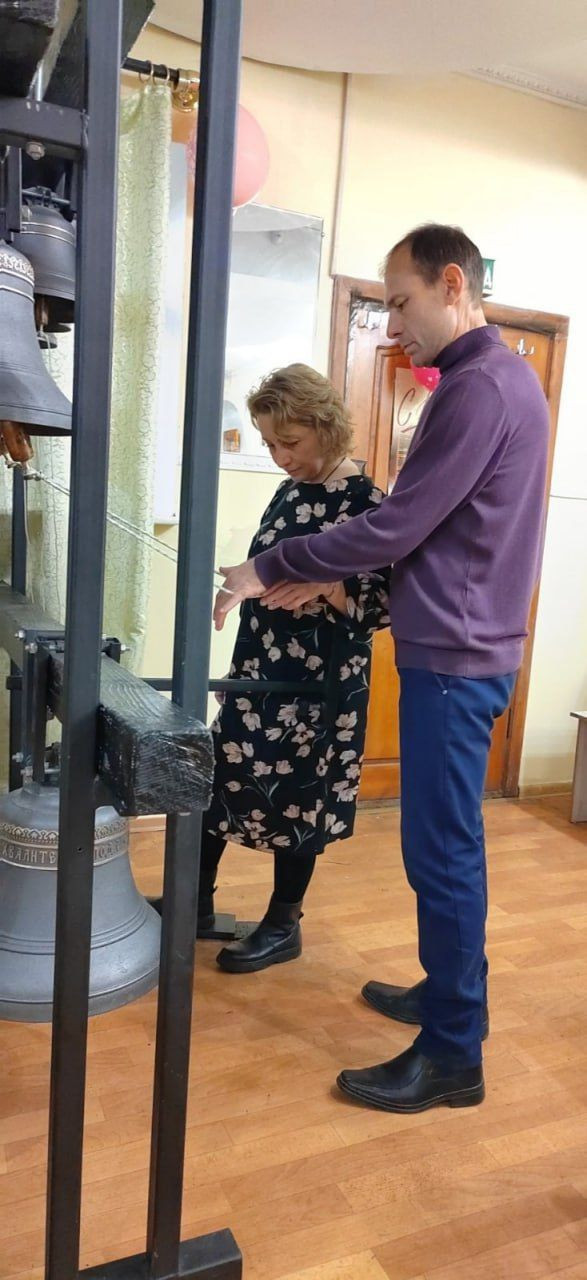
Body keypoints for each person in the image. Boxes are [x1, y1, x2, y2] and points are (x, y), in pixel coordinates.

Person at [213, 224, 549, 1113]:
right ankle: (449, 1000)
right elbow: (432, 530)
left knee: (440, 855)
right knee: (445, 848)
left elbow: (397, 526)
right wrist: (317, 577)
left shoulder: (478, 386)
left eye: (401, 302)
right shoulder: (496, 379)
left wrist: (267, 568)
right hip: (462, 649)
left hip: (453, 661)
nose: (393, 325)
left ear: (452, 284)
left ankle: (452, 1053)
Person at [202, 362, 389, 974]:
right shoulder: (289, 492)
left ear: (325, 426)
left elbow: (385, 602)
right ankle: (194, 904)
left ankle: (284, 925)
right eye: (268, 444)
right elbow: (265, 578)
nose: (280, 457)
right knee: (217, 778)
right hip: (260, 671)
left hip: (321, 684)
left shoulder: (368, 503)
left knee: (301, 799)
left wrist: (329, 587)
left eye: (290, 442)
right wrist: (239, 624)